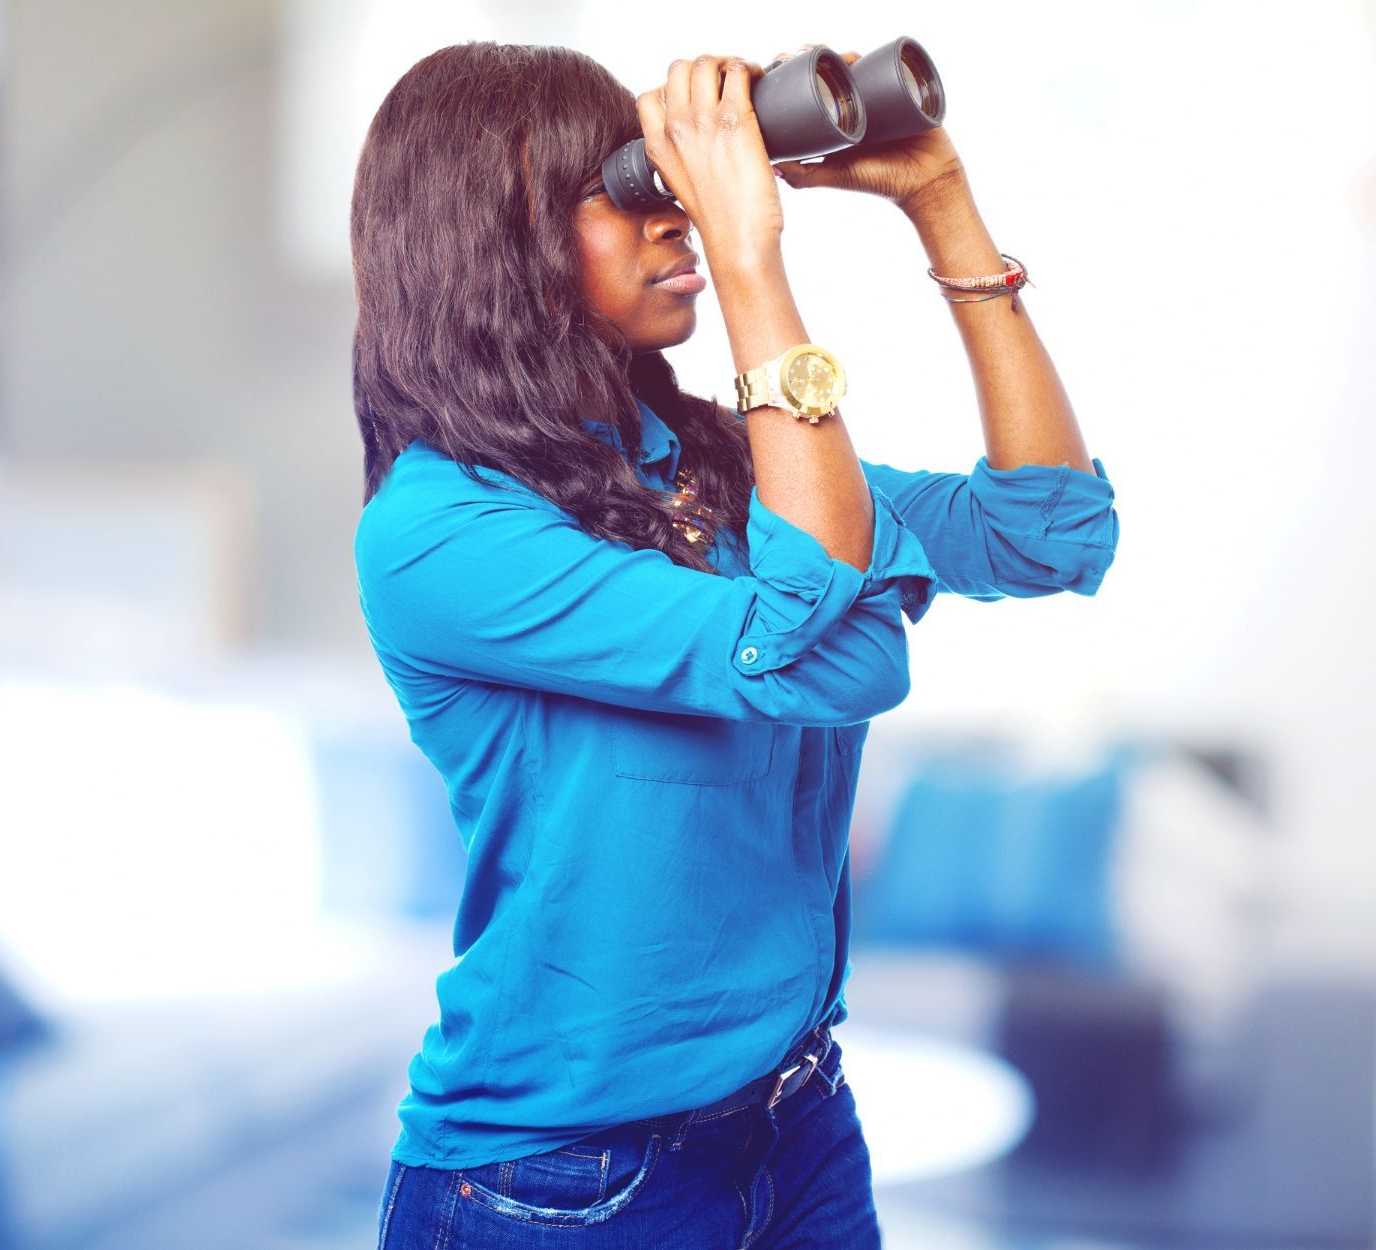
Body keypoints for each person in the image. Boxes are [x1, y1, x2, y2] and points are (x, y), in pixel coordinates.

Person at [351, 39, 1119, 1249]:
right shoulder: (441, 532)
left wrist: (940, 201)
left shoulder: (708, 463)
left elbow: (1050, 531)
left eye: (663, 182)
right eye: (621, 190)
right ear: (496, 244)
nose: (676, 218)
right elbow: (817, 654)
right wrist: (752, 259)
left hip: (795, 1119)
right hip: (562, 1178)